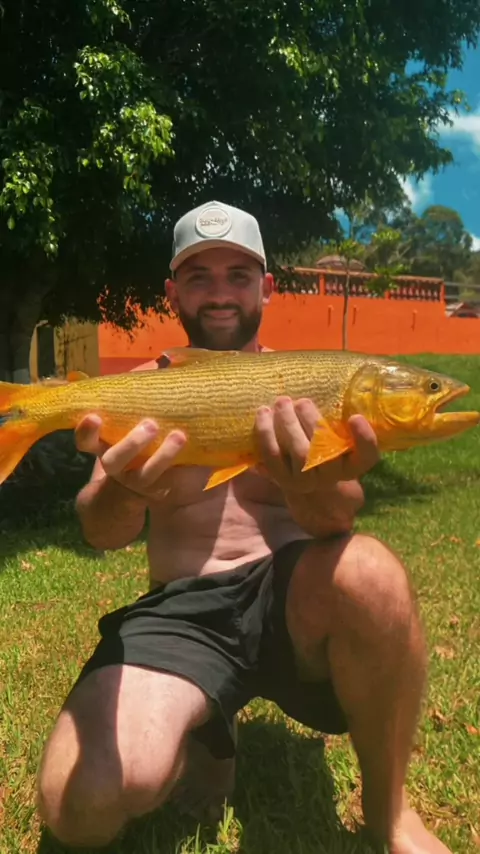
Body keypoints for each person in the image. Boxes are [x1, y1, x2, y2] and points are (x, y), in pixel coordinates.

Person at [36, 201, 451, 854]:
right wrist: (122, 489)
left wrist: (304, 481)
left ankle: (390, 813)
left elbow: (337, 519)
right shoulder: (141, 390)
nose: (220, 293)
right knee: (77, 806)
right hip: (184, 612)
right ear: (172, 293)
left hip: (290, 604)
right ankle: (209, 728)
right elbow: (100, 532)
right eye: (199, 277)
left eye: (238, 275)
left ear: (267, 286)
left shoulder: (311, 385)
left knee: (372, 571)